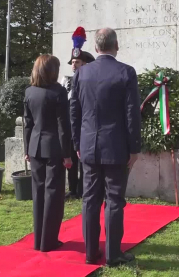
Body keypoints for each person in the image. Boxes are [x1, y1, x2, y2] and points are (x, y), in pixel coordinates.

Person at [70, 28, 142, 266]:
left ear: (97, 47)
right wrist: (134, 148)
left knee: (90, 199)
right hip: (116, 146)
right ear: (116, 45)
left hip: (89, 144)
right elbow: (132, 114)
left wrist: (77, 143)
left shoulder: (81, 74)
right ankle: (112, 254)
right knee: (113, 201)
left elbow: (74, 111)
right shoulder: (126, 72)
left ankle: (91, 253)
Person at [23, 55, 73, 252]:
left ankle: (39, 241)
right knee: (53, 194)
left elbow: (28, 123)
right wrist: (67, 154)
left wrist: (27, 149)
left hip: (35, 147)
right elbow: (63, 126)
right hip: (54, 149)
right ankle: (49, 241)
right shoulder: (58, 92)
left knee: (38, 193)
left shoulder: (29, 92)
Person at [60, 26, 96, 199]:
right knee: (71, 159)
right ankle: (72, 188)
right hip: (68, 125)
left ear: (85, 64)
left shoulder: (88, 81)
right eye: (73, 62)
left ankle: (82, 189)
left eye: (77, 62)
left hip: (83, 125)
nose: (74, 65)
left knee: (82, 159)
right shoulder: (66, 82)